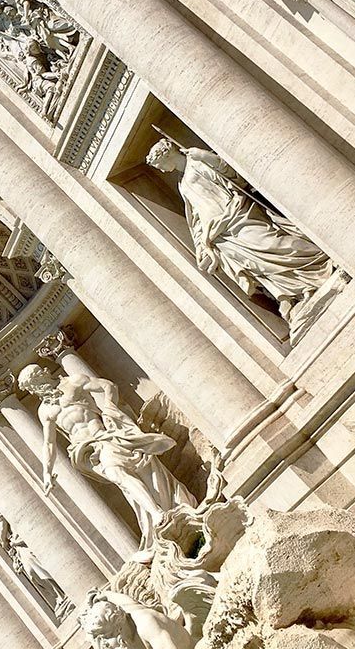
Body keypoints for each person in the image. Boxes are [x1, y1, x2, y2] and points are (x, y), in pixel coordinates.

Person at [146, 137, 337, 327]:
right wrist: (201, 248)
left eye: (159, 164)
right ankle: (291, 291)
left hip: (237, 215)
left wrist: (205, 156)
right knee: (256, 266)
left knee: (272, 243)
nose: (161, 170)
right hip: (220, 236)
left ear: (167, 155)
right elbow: (195, 218)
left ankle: (320, 260)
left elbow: (230, 172)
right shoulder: (181, 183)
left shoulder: (197, 161)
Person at [17, 363, 194, 558]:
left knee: (126, 473)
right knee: (120, 479)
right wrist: (47, 473)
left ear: (43, 373)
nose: (35, 389)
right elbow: (49, 443)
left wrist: (110, 409)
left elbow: (108, 386)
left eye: (35, 381)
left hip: (104, 438)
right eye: (31, 387)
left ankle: (158, 512)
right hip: (87, 452)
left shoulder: (73, 383)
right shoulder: (45, 411)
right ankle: (156, 513)